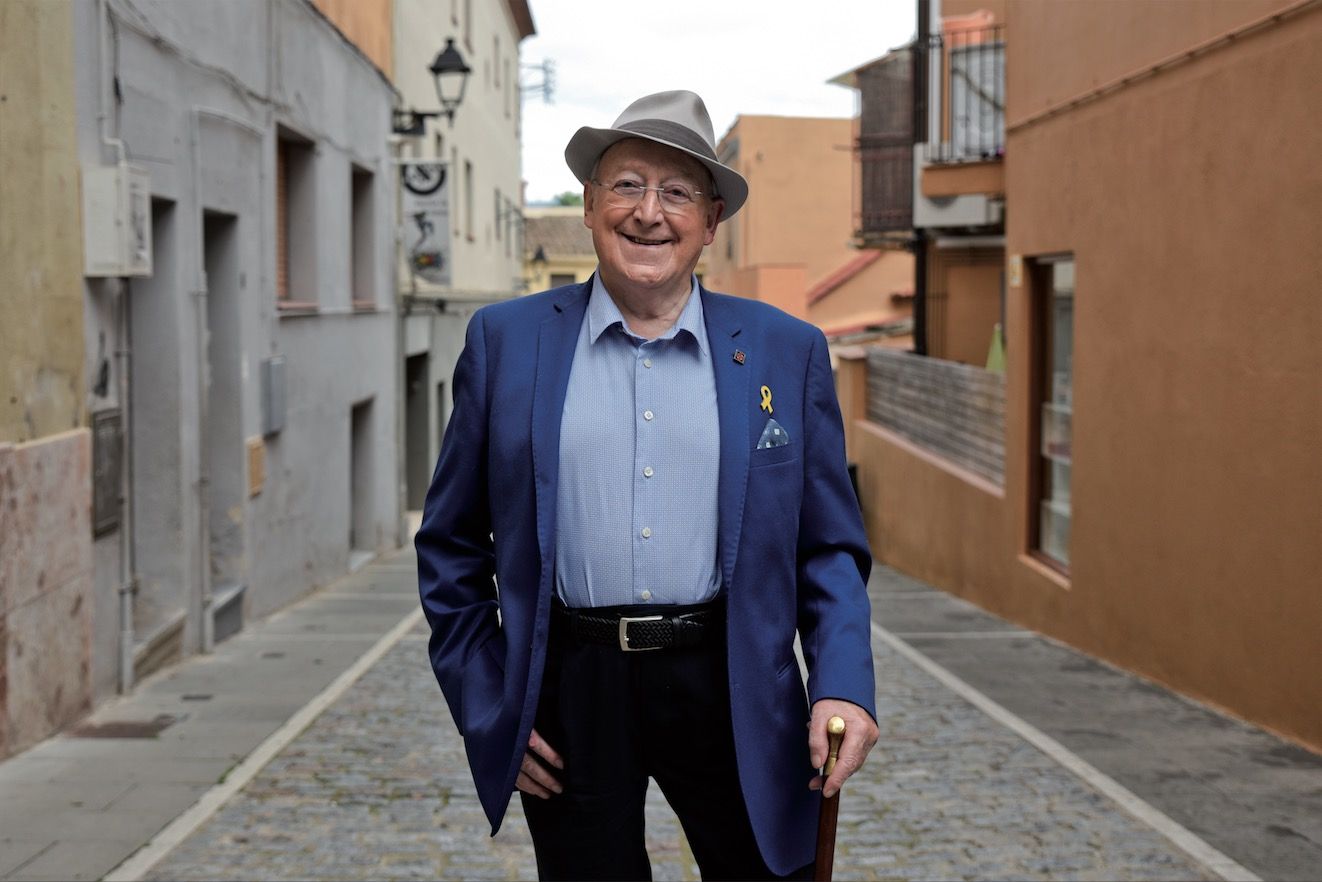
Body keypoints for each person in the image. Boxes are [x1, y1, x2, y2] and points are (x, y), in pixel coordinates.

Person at [416, 89, 879, 881]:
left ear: (710, 220)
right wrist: (487, 700)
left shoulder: (785, 351)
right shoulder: (504, 342)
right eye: (627, 185)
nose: (649, 213)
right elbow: (451, 547)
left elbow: (829, 548)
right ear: (592, 205)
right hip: (573, 688)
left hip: (734, 681)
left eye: (676, 192)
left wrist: (843, 685)